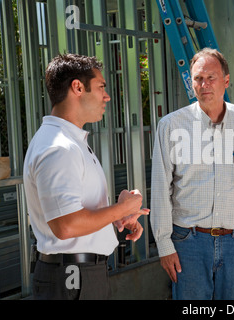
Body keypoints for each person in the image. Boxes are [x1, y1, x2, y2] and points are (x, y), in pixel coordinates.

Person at [150, 48, 234, 300]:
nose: (204, 84)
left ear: (226, 81)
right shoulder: (171, 125)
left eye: (211, 77)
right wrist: (164, 245)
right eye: (198, 78)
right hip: (188, 242)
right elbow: (160, 189)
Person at [23, 53, 149, 300]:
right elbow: (66, 225)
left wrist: (119, 211)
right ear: (78, 87)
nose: (107, 96)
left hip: (77, 275)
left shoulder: (69, 141)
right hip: (73, 277)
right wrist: (120, 209)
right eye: (101, 87)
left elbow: (76, 213)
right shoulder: (58, 147)